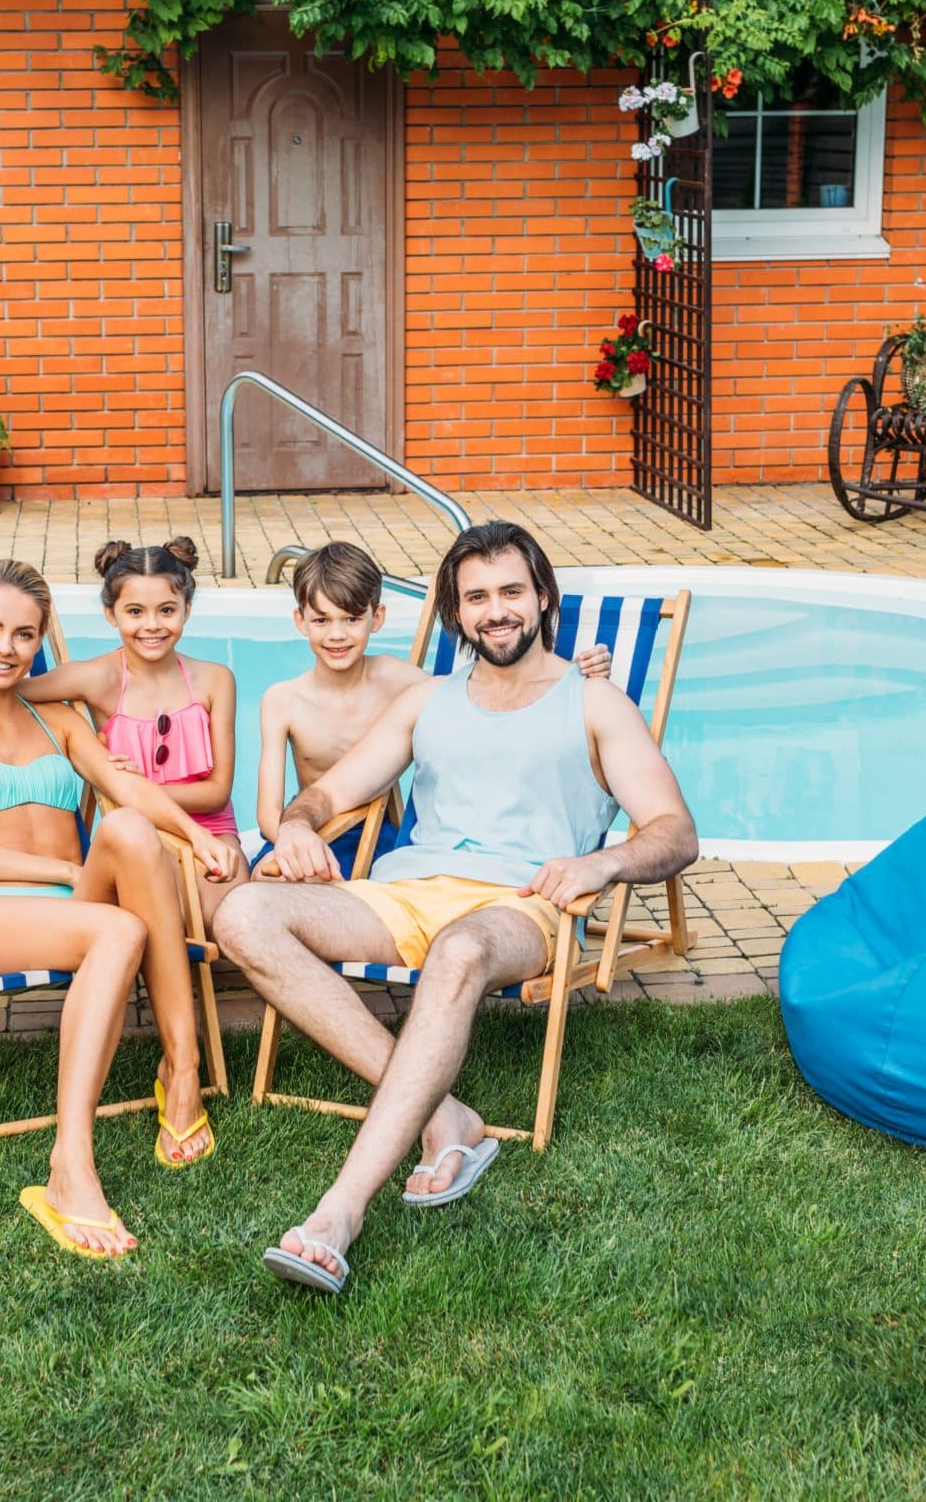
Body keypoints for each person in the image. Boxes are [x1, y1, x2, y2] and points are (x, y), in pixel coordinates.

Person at [214, 522, 699, 1294]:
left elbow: (676, 830)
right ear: (455, 612)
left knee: (461, 950)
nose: (495, 610)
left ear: (542, 598)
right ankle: (443, 1115)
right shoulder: (428, 702)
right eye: (476, 597)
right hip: (407, 891)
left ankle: (338, 1214)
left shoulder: (594, 702)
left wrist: (602, 861)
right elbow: (331, 791)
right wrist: (300, 822)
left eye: (511, 591)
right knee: (242, 914)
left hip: (520, 902)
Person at [0, 560, 244, 1257]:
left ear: (40, 641)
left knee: (126, 827)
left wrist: (194, 839)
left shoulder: (58, 715)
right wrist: (61, 866)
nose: (6, 646)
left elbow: (130, 789)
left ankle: (183, 1070)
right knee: (120, 926)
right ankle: (71, 1164)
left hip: (69, 909)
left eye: (24, 633)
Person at [256, 542, 613, 878]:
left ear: (376, 618)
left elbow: (483, 699)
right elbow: (268, 814)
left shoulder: (404, 682)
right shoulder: (283, 700)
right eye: (321, 621)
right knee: (259, 880)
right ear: (300, 621)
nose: (337, 634)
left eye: (351, 619)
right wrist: (297, 836)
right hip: (307, 827)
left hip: (376, 835)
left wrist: (573, 671)